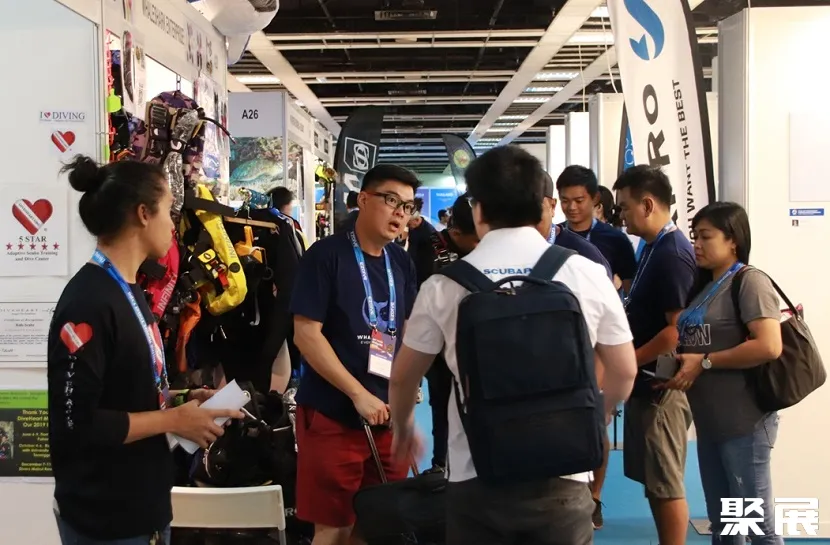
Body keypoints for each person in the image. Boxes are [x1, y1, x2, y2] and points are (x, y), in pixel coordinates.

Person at [388, 145, 638, 545]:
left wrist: (403, 427)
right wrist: (599, 412)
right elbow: (624, 370)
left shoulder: (444, 285)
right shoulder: (585, 272)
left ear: (478, 209)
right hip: (564, 469)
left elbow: (404, 377)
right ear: (542, 206)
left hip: (475, 473)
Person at [47, 156, 242, 545]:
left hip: (143, 505)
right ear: (142, 214)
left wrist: (182, 399)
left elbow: (123, 390)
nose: (173, 224)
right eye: (168, 210)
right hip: (107, 519)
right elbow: (77, 425)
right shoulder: (89, 302)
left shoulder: (129, 289)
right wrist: (172, 420)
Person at [290, 164, 421, 545]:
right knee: (334, 527)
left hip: (388, 416)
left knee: (380, 523)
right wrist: (357, 394)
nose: (400, 213)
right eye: (391, 200)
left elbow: (405, 328)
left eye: (407, 206)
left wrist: (406, 388)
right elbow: (306, 335)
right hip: (333, 414)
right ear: (363, 199)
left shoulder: (401, 262)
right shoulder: (325, 256)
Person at [666, 202, 783, 544]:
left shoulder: (750, 282)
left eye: (706, 237)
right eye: (695, 237)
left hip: (744, 422)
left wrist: (705, 362)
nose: (697, 245)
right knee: (726, 525)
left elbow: (769, 346)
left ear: (733, 240)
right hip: (710, 422)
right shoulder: (706, 286)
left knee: (758, 527)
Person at [613, 165, 696, 545]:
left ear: (647, 205)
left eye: (624, 207)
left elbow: (677, 330)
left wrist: (631, 360)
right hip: (649, 383)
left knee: (665, 484)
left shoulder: (672, 254)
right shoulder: (652, 247)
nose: (621, 215)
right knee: (655, 480)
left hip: (663, 386)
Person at [536, 169, 612, 528]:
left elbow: (609, 331)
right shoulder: (497, 254)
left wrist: (596, 388)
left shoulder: (585, 256)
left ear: (549, 206)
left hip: (580, 378)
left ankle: (593, 498)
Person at [418, 194, 480, 475]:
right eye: (476, 240)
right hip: (439, 345)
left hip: (480, 342)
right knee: (441, 404)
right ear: (455, 232)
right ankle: (440, 462)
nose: (482, 245)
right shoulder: (427, 247)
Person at [557, 165, 637, 292]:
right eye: (565, 201)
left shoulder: (616, 240)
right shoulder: (553, 235)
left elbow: (630, 291)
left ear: (595, 198)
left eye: (579, 201)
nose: (572, 207)